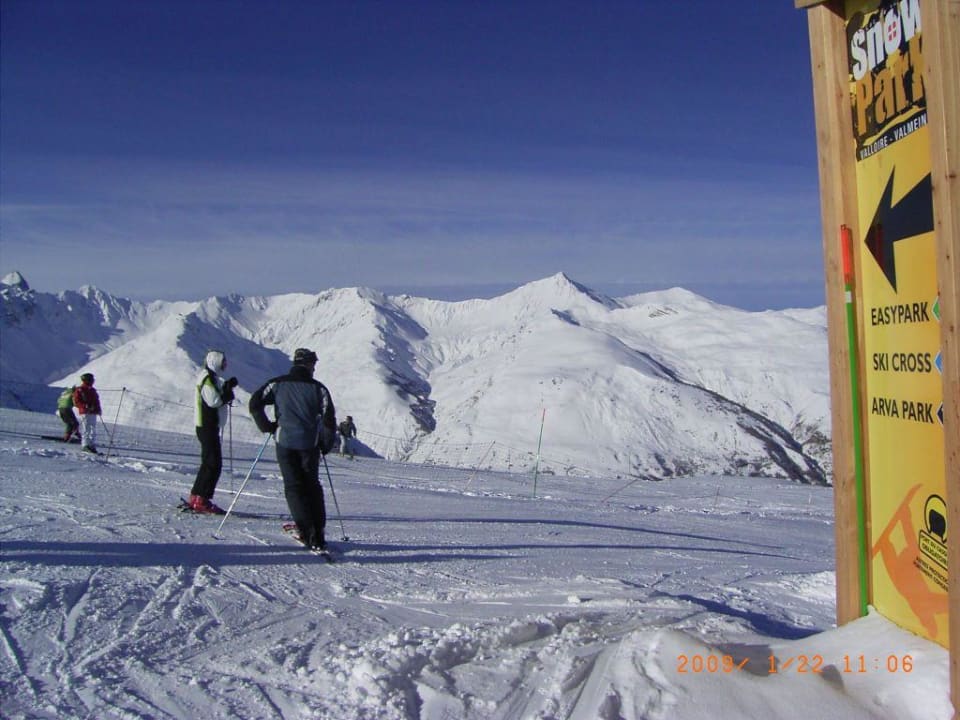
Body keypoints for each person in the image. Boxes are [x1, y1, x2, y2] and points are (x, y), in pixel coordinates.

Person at [249, 348, 337, 551]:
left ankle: (306, 532)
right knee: (312, 486)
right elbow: (329, 420)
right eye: (313, 364)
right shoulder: (319, 389)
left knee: (294, 487)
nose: (314, 368)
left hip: (285, 441)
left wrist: (267, 426)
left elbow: (255, 403)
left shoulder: (278, 384)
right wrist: (325, 444)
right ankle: (318, 532)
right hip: (310, 445)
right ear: (309, 365)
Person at [189, 350, 238, 514]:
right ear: (216, 361)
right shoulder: (207, 378)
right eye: (223, 362)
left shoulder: (209, 377)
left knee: (208, 463)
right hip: (207, 425)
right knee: (213, 464)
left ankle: (196, 496)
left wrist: (226, 386)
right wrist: (227, 394)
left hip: (207, 425)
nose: (225, 365)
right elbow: (214, 401)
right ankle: (202, 499)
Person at [72, 373, 102, 453]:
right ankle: (85, 445)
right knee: (86, 428)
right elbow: (76, 401)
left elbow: (96, 401)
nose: (93, 381)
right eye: (91, 379)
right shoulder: (80, 389)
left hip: (93, 412)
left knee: (93, 429)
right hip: (85, 412)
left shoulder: (92, 390)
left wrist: (98, 409)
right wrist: (85, 406)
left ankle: (91, 445)